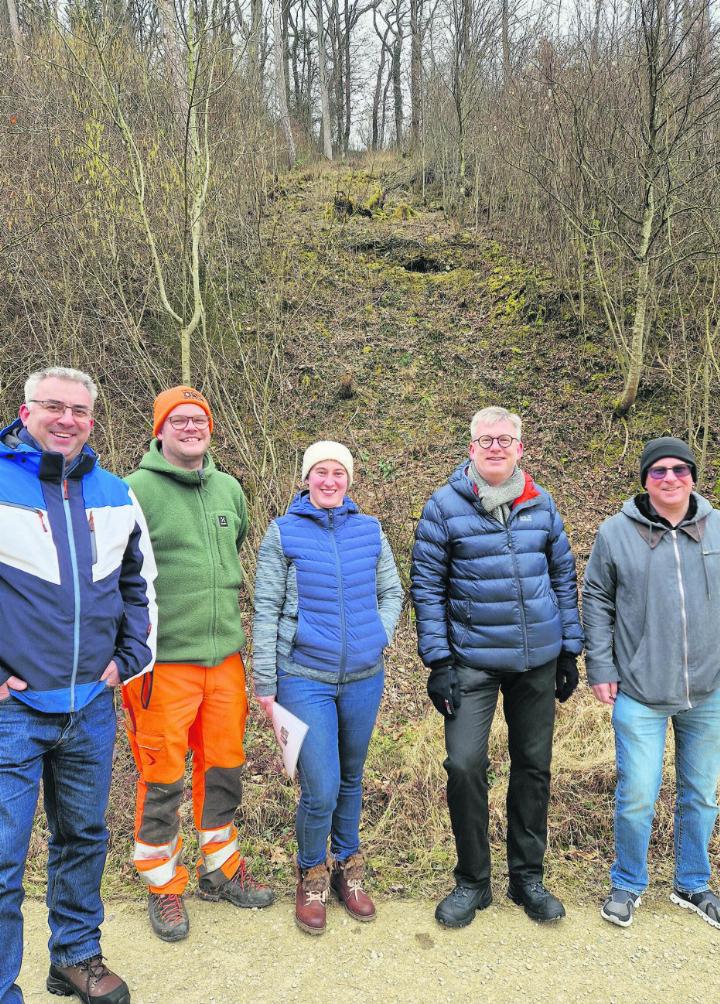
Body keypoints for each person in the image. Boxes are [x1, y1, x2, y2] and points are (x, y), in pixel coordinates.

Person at [0, 367, 157, 1004]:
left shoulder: (115, 492)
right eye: (54, 408)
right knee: (3, 858)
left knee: (84, 837)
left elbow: (138, 584)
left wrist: (130, 655)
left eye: (80, 411)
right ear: (25, 410)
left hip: (90, 704)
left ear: (93, 420)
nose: (67, 420)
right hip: (13, 710)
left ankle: (73, 957)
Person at [411, 406, 583, 927]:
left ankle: (527, 877)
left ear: (520, 449)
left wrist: (569, 649)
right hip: (472, 663)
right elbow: (426, 587)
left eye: (505, 439)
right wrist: (438, 661)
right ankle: (472, 881)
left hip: (536, 661)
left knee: (533, 768)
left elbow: (563, 575)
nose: (495, 447)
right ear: (470, 448)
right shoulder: (443, 507)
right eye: (485, 439)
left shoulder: (541, 504)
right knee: (464, 766)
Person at [122, 386, 273, 943]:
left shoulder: (231, 488)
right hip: (162, 666)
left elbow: (237, 555)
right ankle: (164, 887)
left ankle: (222, 870)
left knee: (224, 769)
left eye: (200, 419)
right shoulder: (132, 490)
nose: (191, 427)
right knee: (162, 777)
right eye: (179, 420)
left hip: (225, 660)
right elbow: (115, 576)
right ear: (160, 429)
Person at [252, 441, 403, 935]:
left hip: (363, 677)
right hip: (304, 678)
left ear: (349, 479)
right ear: (306, 478)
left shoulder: (370, 530)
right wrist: (266, 682)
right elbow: (266, 608)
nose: (330, 480)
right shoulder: (283, 533)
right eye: (320, 472)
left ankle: (347, 867)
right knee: (320, 786)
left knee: (352, 778)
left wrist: (378, 633)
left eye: (338, 472)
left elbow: (391, 591)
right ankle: (311, 873)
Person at [584, 436, 720, 930]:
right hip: (639, 689)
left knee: (701, 793)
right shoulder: (616, 533)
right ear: (645, 479)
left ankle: (691, 883)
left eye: (680, 470)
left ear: (692, 478)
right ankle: (627, 884)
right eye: (658, 470)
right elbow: (596, 600)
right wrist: (600, 667)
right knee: (638, 793)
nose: (669, 479)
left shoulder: (716, 528)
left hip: (708, 690)